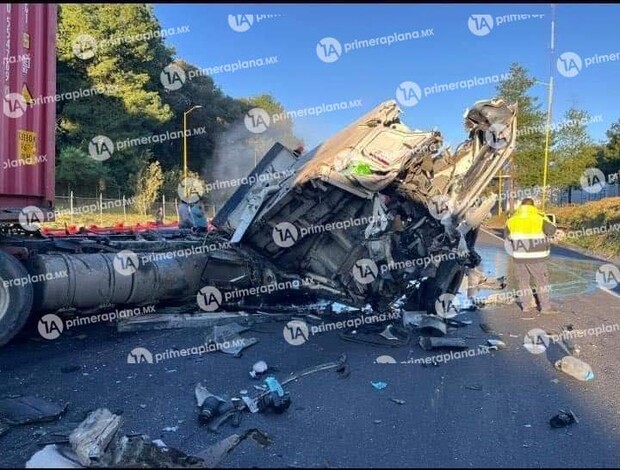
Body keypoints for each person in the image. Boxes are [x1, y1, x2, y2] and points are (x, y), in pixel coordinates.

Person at [505, 197, 559, 315]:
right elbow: (552, 231)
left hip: (519, 257)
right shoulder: (540, 218)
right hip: (537, 257)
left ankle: (526, 306)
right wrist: (544, 216)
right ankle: (545, 307)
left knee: (523, 282)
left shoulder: (512, 220)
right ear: (533, 206)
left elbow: (508, 237)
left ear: (521, 207)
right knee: (541, 282)